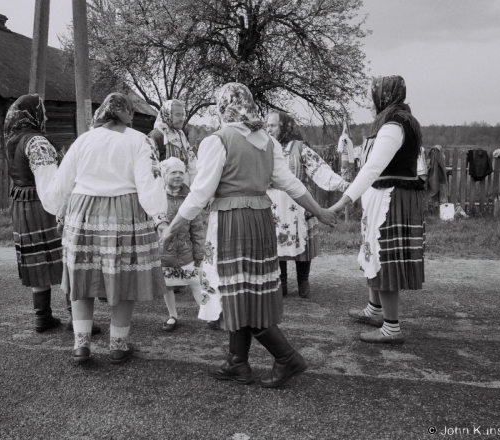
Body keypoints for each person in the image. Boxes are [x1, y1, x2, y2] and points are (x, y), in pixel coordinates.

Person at [162, 83, 337, 388]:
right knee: (246, 291)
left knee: (237, 292)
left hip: (232, 222)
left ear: (223, 107)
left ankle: (286, 357)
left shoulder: (218, 140)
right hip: (260, 220)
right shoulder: (268, 140)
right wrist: (319, 211)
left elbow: (201, 192)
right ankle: (236, 362)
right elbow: (291, 184)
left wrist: (173, 225)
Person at [43, 92, 168, 364]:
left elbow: (61, 186)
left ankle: (81, 346)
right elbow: (149, 183)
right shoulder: (140, 140)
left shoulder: (83, 140)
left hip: (83, 211)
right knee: (124, 278)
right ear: (128, 114)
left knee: (82, 278)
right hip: (125, 212)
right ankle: (118, 346)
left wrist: (60, 211)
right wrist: (160, 217)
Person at [329, 75, 425, 344]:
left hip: (391, 199)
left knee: (384, 258)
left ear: (384, 96)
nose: (370, 103)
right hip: (385, 197)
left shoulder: (395, 125)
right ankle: (374, 310)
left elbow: (373, 168)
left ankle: (391, 329)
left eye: (373, 96)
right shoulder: (392, 121)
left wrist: (342, 202)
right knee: (372, 252)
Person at [4, 94, 100, 335]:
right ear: (32, 114)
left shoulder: (12, 138)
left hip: (22, 205)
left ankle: (42, 318)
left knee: (38, 259)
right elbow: (50, 181)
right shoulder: (36, 141)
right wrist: (62, 211)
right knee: (67, 257)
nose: (45, 116)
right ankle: (74, 318)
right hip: (42, 204)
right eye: (42, 111)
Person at [265, 111, 349, 298]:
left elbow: (320, 170)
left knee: (302, 242)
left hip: (299, 203)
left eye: (272, 125)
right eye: (267, 125)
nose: (268, 129)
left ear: (284, 127)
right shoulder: (264, 147)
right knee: (276, 243)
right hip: (274, 205)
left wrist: (343, 185)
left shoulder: (299, 147)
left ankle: (303, 280)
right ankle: (282, 281)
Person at [159, 157, 211, 332]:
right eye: (173, 172)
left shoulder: (191, 197)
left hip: (185, 250)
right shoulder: (156, 198)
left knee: (195, 281)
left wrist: (199, 254)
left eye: (181, 172)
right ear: (164, 174)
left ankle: (208, 313)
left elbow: (197, 228)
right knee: (167, 285)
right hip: (163, 251)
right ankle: (172, 315)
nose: (177, 176)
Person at [148, 99, 198, 185]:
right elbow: (151, 167)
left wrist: (195, 186)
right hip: (164, 190)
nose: (182, 119)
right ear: (167, 115)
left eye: (183, 115)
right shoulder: (156, 136)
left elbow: (192, 163)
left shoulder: (181, 134)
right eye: (178, 115)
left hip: (183, 189)